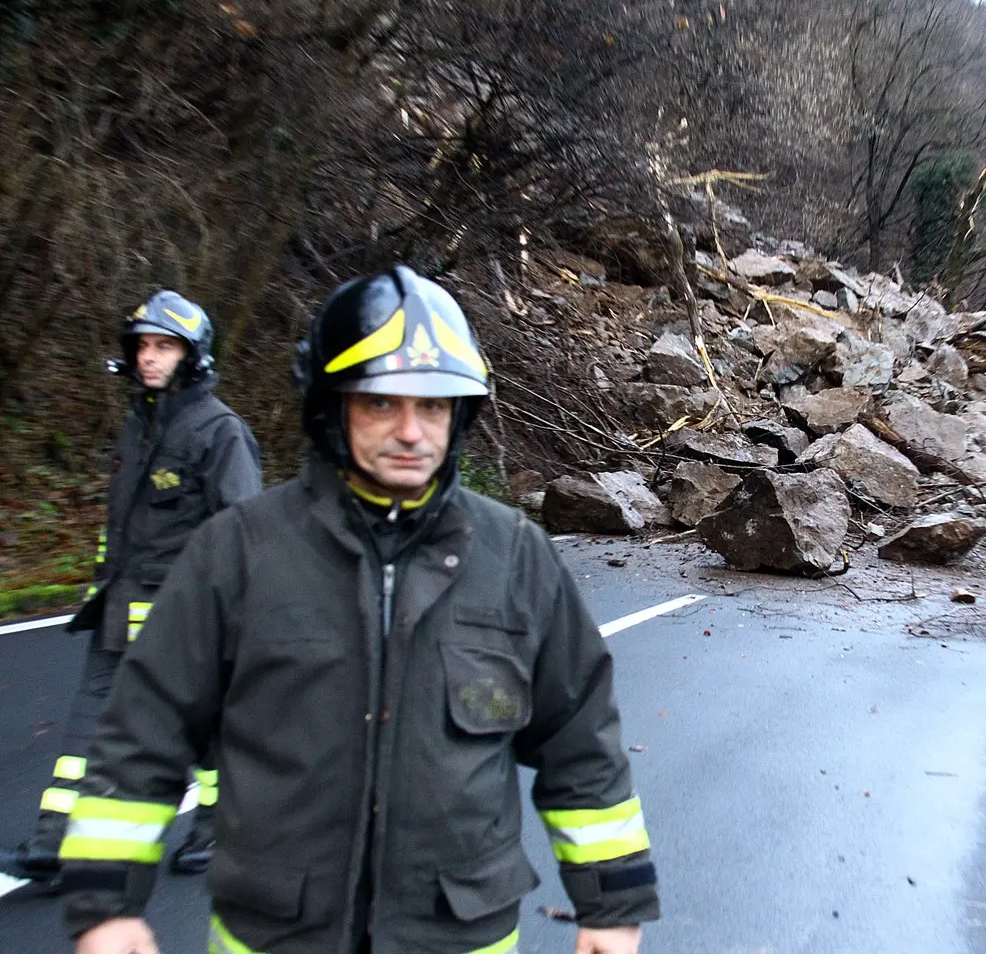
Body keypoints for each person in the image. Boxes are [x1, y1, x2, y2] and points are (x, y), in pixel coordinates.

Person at [60, 266, 659, 954]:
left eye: (433, 406)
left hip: (457, 933)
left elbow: (582, 744)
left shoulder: (518, 556)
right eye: (382, 403)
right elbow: (145, 729)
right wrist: (106, 904)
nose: (412, 431)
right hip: (276, 930)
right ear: (331, 407)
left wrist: (612, 906)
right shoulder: (239, 551)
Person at [0, 291, 261, 884]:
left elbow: (242, 532)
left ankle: (220, 827)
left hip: (185, 617)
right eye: (143, 345)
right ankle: (54, 844)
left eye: (163, 346)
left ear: (191, 356)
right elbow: (119, 526)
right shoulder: (137, 430)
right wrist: (103, 584)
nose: (149, 357)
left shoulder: (221, 433)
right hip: (120, 611)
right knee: (88, 730)